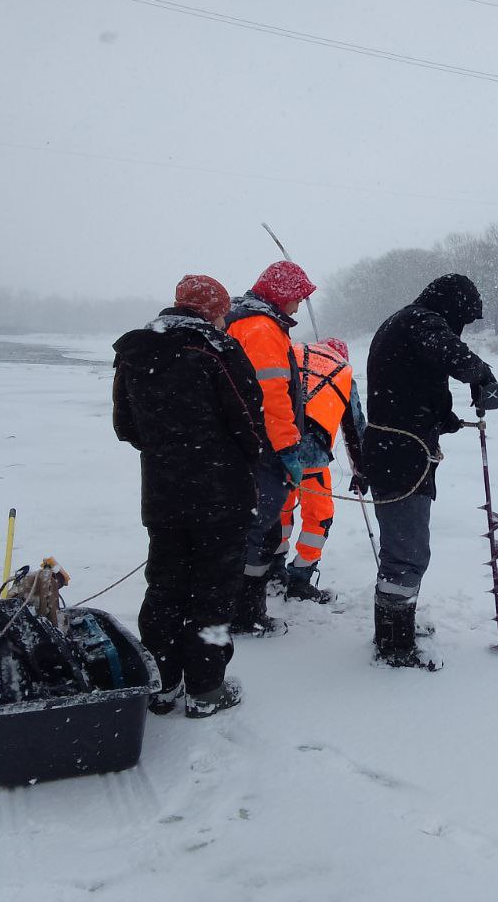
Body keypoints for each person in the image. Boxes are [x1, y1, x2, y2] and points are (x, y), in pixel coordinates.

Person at [112, 274, 267, 718]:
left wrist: (169, 449)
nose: (225, 318)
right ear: (211, 310)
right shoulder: (217, 351)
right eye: (221, 310)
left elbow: (126, 427)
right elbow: (249, 423)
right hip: (221, 495)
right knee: (214, 592)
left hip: (163, 493)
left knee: (165, 587)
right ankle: (205, 689)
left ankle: (162, 684)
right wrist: (232, 457)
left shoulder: (134, 353)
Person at [361, 273, 498, 669]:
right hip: (399, 452)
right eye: (465, 319)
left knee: (406, 548)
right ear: (453, 306)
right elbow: (452, 355)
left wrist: (442, 417)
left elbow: (409, 381)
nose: (463, 328)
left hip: (401, 447)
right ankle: (393, 646)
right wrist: (482, 373)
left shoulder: (403, 323)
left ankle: (398, 627)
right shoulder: (420, 321)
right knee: (406, 552)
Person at [224, 259, 318, 635]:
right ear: (281, 295)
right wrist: (287, 449)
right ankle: (244, 614)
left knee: (251, 527)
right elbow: (271, 398)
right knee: (257, 527)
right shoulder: (262, 329)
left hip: (245, 444)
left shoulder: (246, 323)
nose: (298, 306)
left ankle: (238, 608)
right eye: (296, 298)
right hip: (262, 447)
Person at [272, 336, 366, 602]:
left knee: (280, 512)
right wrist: (361, 471)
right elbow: (355, 429)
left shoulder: (292, 360)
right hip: (312, 458)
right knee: (318, 517)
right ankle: (300, 578)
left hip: (277, 453)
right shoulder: (343, 374)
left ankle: (272, 569)